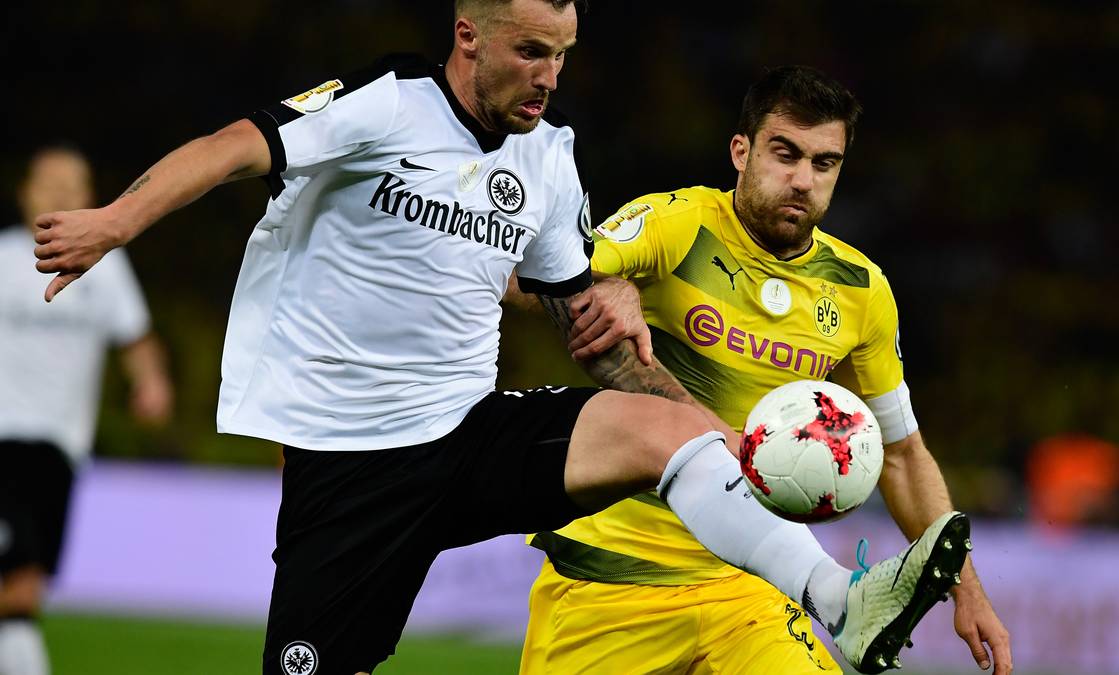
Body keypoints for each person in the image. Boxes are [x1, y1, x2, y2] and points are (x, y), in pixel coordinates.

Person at [31, 2, 970, 673]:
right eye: (530, 51)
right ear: (468, 35)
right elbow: (235, 145)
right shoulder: (384, 105)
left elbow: (588, 330)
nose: (549, 76)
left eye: (562, 54)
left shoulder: (549, 162)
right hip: (349, 462)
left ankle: (837, 600)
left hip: (466, 431)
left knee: (668, 433)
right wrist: (116, 221)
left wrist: (713, 426)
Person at [517, 66, 1013, 674]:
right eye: (786, 154)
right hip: (609, 579)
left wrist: (967, 589)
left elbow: (903, 454)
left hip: (751, 586)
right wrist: (608, 278)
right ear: (741, 151)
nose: (803, 180)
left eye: (824, 163)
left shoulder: (860, 291)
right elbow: (528, 279)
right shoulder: (679, 226)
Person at [0, 144, 173, 675]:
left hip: (61, 449)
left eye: (72, 184)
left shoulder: (105, 267)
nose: (59, 192)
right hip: (3, 438)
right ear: (26, 192)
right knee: (17, 584)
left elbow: (136, 337)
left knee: (26, 591)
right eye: (49, 182)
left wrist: (151, 381)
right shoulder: (3, 258)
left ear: (89, 196)